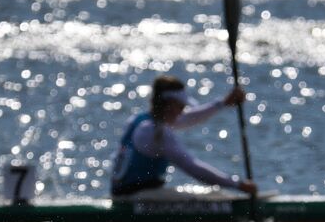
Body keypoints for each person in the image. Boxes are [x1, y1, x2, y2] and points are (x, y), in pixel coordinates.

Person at [110, 75, 258, 196]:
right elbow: (191, 167)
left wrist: (223, 103)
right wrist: (237, 184)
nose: (183, 110)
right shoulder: (158, 133)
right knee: (208, 196)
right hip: (138, 197)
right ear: (168, 104)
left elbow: (189, 118)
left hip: (123, 193)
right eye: (180, 106)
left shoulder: (139, 121)